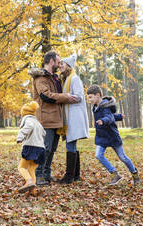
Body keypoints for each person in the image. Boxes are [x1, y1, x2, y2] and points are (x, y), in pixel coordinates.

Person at [29, 50, 78, 186]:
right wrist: (65, 97)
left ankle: (46, 174)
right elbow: (45, 95)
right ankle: (38, 175)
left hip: (56, 119)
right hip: (45, 119)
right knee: (44, 148)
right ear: (51, 61)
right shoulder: (40, 78)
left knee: (52, 149)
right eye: (58, 60)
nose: (59, 63)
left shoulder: (54, 78)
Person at [87, 84, 140, 186]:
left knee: (123, 157)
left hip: (112, 136)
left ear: (98, 95)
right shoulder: (95, 107)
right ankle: (115, 174)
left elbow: (108, 117)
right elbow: (112, 116)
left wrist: (103, 121)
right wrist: (119, 116)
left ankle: (134, 174)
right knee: (98, 155)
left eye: (90, 97)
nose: (89, 100)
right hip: (101, 136)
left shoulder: (105, 106)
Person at [58, 54, 89, 184]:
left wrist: (66, 96)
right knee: (72, 144)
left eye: (62, 64)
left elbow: (80, 96)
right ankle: (75, 175)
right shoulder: (66, 80)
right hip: (70, 116)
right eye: (59, 64)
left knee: (70, 144)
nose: (60, 66)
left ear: (68, 66)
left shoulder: (74, 79)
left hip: (74, 117)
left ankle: (69, 176)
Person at [17, 101, 46, 194]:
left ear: (24, 112)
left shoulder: (28, 120)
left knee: (21, 167)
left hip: (31, 147)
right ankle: (32, 191)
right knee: (32, 169)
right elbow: (44, 133)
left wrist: (20, 137)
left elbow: (28, 127)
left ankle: (29, 181)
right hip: (41, 149)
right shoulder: (37, 122)